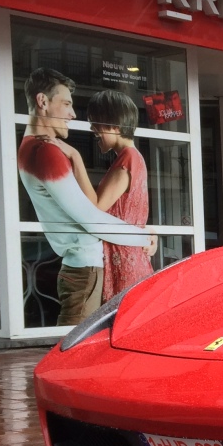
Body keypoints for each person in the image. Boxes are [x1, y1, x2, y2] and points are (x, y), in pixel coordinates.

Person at [18, 69, 150, 325]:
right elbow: (93, 215)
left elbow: (95, 211)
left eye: (95, 123)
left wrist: (144, 233)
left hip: (104, 260)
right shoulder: (44, 151)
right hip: (89, 263)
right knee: (79, 344)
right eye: (67, 104)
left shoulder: (127, 159)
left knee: (96, 339)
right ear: (42, 102)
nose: (74, 116)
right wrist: (144, 234)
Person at [74, 91, 156, 300]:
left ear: (115, 125)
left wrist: (75, 159)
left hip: (124, 257)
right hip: (129, 254)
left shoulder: (127, 158)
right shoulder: (134, 157)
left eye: (96, 123)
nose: (93, 129)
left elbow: (97, 206)